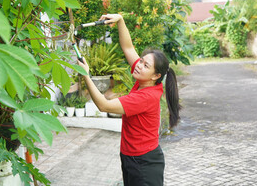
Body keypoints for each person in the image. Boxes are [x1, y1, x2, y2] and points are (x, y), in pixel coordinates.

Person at [77, 14, 181, 186]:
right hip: (132, 157)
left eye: (146, 65)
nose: (139, 65)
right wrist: (120, 20)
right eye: (141, 60)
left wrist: (85, 75)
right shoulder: (145, 79)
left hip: (144, 163)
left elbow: (104, 106)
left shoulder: (145, 97)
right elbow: (128, 47)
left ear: (155, 76)